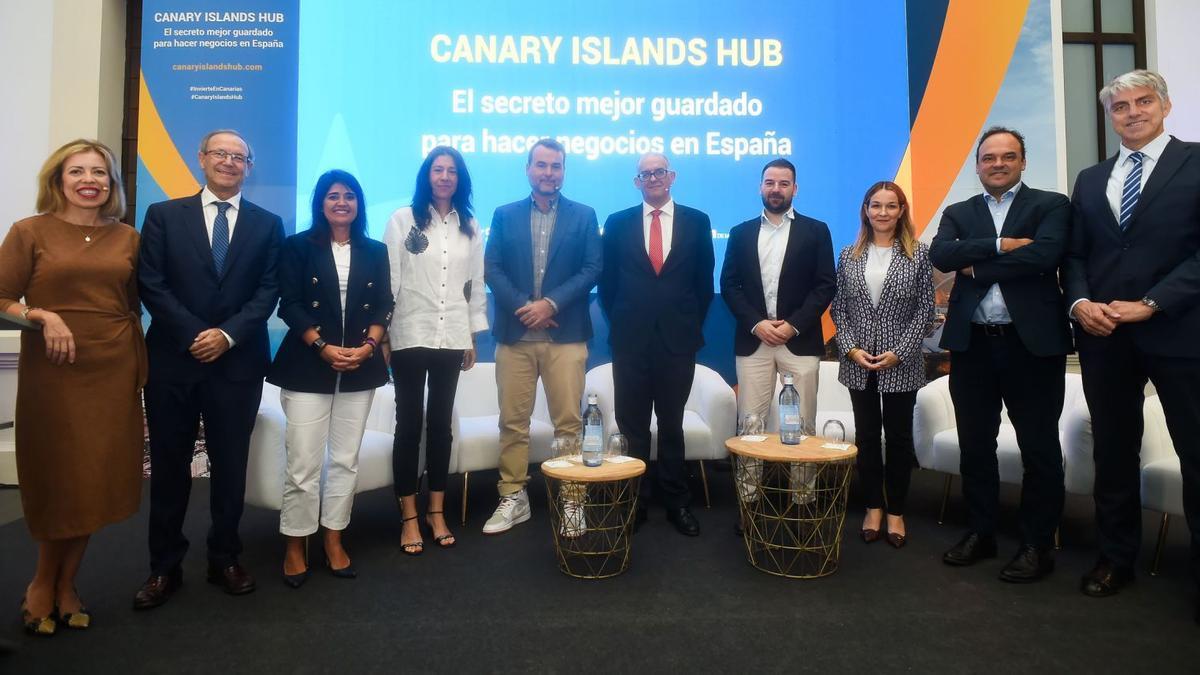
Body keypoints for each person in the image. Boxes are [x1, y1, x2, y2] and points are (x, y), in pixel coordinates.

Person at [1064, 70, 1200, 622]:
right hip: (1104, 336)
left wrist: (1153, 302)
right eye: (1120, 106)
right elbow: (1075, 257)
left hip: (1179, 331)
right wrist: (1079, 304)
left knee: (1197, 453)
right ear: (1110, 117)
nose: (1133, 112)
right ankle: (1114, 557)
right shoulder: (1091, 179)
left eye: (1144, 102)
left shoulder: (1195, 163)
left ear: (1165, 106)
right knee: (1113, 452)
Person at [0, 139, 146, 634]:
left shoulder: (128, 237)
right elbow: (1, 297)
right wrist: (40, 315)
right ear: (58, 180)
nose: (90, 180)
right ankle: (43, 582)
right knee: (58, 474)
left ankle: (69, 585)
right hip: (54, 369)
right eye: (78, 171)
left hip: (111, 367)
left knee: (92, 477)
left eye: (100, 173)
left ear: (112, 184)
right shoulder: (29, 231)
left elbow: (132, 302)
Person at [135, 129, 285, 608]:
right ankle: (164, 567)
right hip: (173, 362)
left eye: (238, 156)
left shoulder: (268, 224)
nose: (229, 162)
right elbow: (151, 283)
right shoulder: (162, 215)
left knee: (230, 465)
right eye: (220, 153)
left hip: (236, 364)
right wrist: (194, 334)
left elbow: (268, 291)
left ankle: (225, 557)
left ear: (249, 165)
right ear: (201, 159)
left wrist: (225, 336)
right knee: (170, 467)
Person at [930, 126, 1072, 583]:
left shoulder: (1050, 205)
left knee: (1039, 448)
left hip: (1031, 346)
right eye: (989, 157)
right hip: (973, 346)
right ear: (977, 165)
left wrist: (978, 264)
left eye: (1007, 156)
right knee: (975, 446)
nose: (998, 164)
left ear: (1023, 161)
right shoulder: (959, 211)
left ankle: (1035, 544)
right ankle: (981, 531)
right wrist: (1002, 246)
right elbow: (942, 254)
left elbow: (1044, 257)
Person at [266, 170, 392, 587]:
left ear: (359, 204)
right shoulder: (298, 246)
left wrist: (369, 347)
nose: (342, 202)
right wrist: (322, 346)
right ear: (320, 202)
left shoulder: (375, 250)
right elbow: (291, 304)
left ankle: (334, 538)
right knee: (302, 463)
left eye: (350, 196)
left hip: (361, 365)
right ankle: (295, 543)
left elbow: (384, 305)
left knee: (344, 460)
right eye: (333, 196)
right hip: (307, 365)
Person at [482, 138, 602, 534]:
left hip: (565, 335)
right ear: (528, 169)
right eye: (542, 165)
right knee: (513, 422)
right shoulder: (504, 214)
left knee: (568, 422)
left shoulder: (584, 215)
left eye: (556, 166)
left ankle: (571, 498)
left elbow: (591, 269)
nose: (549, 173)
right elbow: (493, 269)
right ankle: (513, 495)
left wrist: (549, 304)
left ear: (564, 172)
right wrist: (526, 308)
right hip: (515, 336)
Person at [599, 153, 714, 536]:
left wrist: (684, 324)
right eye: (645, 174)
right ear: (637, 182)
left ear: (672, 176)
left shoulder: (698, 221)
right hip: (630, 340)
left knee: (671, 424)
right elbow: (608, 286)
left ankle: (677, 502)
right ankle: (635, 502)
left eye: (659, 172)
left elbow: (703, 284)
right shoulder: (616, 224)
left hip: (677, 341)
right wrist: (626, 319)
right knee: (632, 425)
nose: (652, 178)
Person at [720, 158, 835, 530]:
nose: (776, 189)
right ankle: (749, 500)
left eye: (784, 183)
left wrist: (793, 326)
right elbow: (730, 285)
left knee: (802, 423)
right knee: (750, 422)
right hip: (754, 342)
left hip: (798, 342)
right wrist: (756, 324)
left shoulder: (817, 231)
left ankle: (803, 501)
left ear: (795, 189)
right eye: (770, 182)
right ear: (760, 187)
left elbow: (824, 285)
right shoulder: (739, 233)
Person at [384, 147, 486, 553]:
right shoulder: (402, 220)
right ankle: (409, 516)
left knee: (441, 425)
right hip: (410, 332)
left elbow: (474, 285)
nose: (444, 176)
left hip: (452, 336)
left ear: (460, 179)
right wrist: (385, 334)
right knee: (409, 425)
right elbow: (390, 276)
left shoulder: (470, 226)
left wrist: (472, 335)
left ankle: (436, 512)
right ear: (427, 175)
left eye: (452, 171)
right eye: (437, 169)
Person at [830, 181, 934, 548]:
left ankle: (896, 512)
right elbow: (838, 308)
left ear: (902, 210)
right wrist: (851, 348)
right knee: (868, 438)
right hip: (858, 362)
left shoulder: (919, 254)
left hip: (900, 364)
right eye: (876, 205)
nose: (883, 212)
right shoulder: (849, 254)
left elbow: (926, 309)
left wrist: (900, 351)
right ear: (866, 209)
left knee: (900, 439)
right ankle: (873, 507)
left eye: (891, 206)